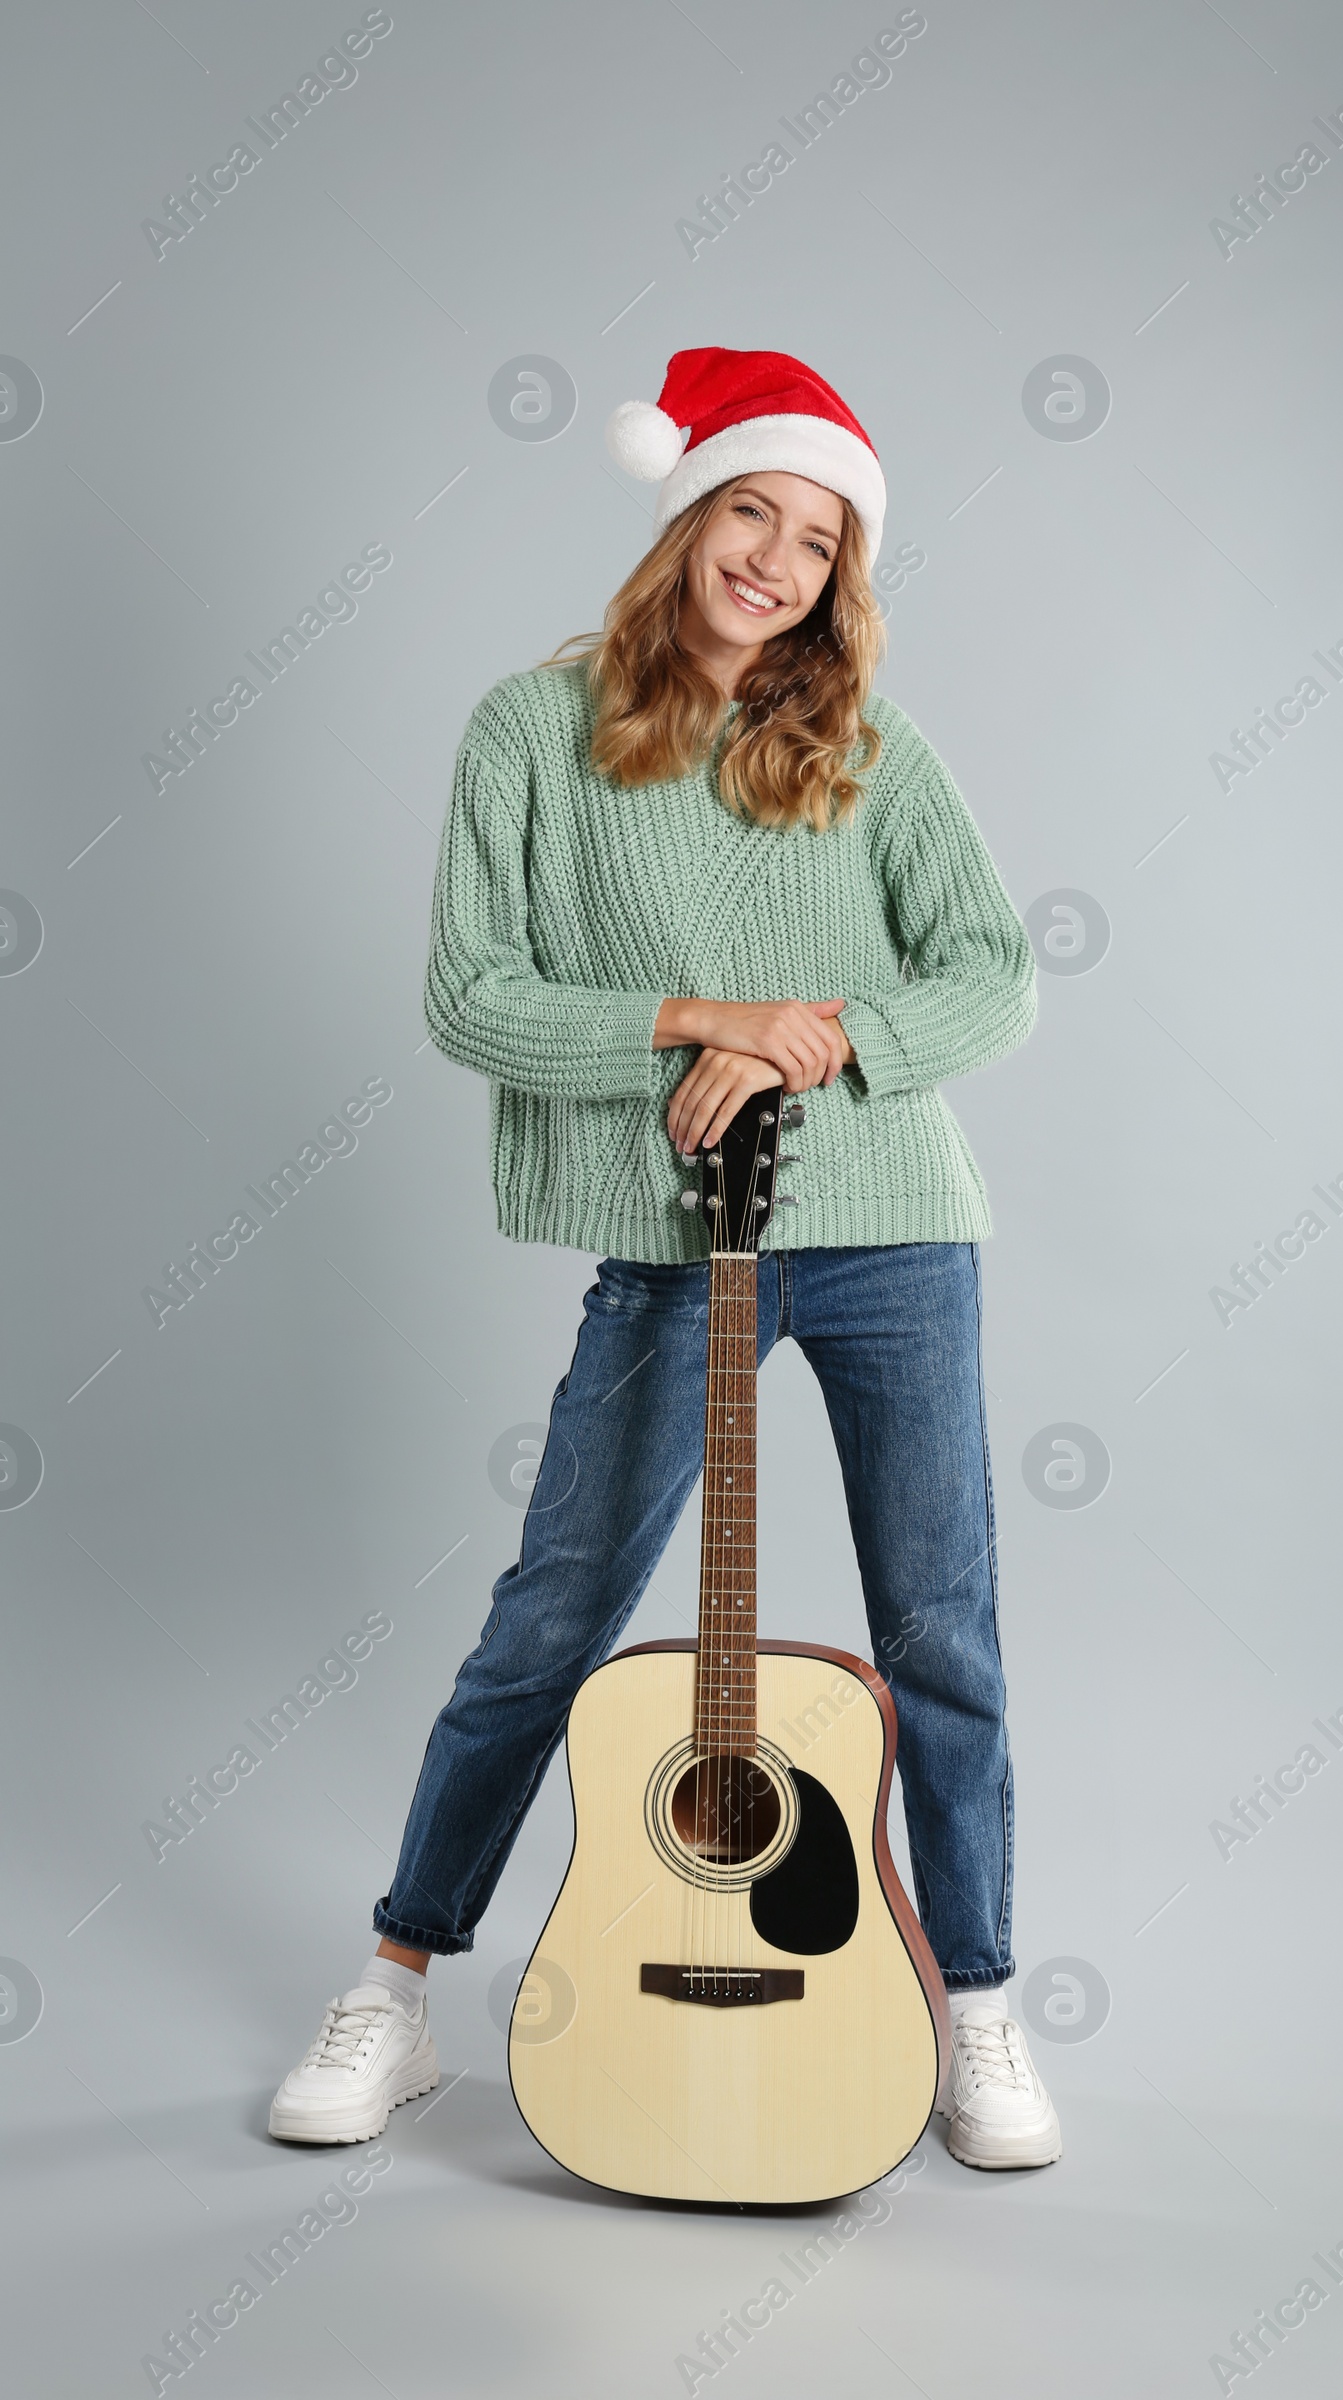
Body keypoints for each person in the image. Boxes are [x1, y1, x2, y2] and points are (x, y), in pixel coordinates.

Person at [268, 347, 1059, 2173]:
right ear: (687, 514)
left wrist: (813, 1039)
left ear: (840, 575)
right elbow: (476, 999)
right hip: (671, 1242)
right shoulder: (527, 729)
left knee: (941, 1632)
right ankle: (396, 1991)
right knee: (552, 1620)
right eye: (750, 513)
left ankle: (983, 2010)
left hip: (888, 1231)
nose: (774, 561)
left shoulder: (869, 748)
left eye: (817, 539)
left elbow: (993, 973)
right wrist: (709, 1012)